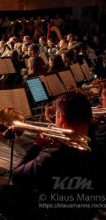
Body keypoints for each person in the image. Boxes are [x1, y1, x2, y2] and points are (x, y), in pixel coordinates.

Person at [9, 92, 102, 220]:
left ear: (62, 119)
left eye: (56, 117)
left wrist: (36, 145)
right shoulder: (100, 150)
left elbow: (16, 176)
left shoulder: (50, 157)